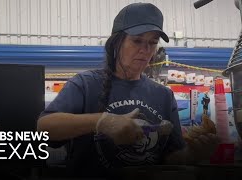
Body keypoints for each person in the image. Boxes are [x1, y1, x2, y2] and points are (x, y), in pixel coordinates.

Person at [37, 2, 219, 177]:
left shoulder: (163, 96)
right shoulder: (85, 84)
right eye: (137, 41)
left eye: (152, 42)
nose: (145, 50)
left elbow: (171, 158)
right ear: (116, 43)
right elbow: (44, 128)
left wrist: (194, 154)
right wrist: (102, 121)